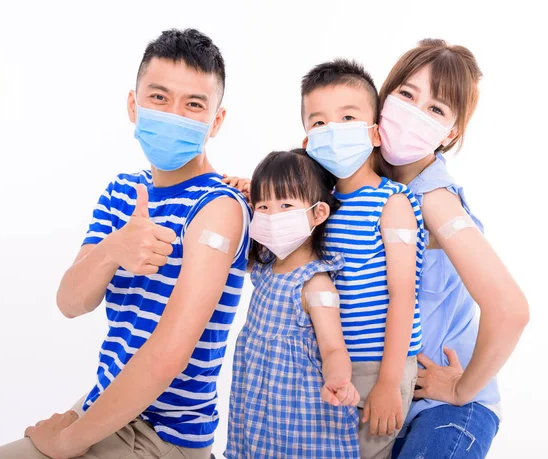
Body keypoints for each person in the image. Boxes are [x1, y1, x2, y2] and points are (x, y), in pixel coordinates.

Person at [0, 28, 251, 459]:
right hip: (105, 408)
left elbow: (169, 356)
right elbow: (70, 302)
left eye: (194, 105)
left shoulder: (218, 207)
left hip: (161, 438)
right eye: (159, 97)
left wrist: (67, 442)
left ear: (216, 121)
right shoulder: (123, 193)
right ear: (134, 104)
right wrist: (113, 249)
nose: (174, 115)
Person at [376, 39, 529, 458]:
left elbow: (511, 309)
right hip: (377, 403)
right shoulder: (360, 181)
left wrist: (462, 389)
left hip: (441, 407)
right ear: (385, 94)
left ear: (452, 132)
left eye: (436, 109)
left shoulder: (434, 200)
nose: (414, 114)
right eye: (407, 94)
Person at [301, 60, 425, 459]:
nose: (332, 131)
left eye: (347, 117)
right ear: (306, 140)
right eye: (318, 123)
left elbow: (403, 295)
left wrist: (389, 382)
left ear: (373, 133)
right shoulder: (321, 206)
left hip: (378, 368)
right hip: (332, 367)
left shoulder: (392, 203)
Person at [225, 149, 361, 458]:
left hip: (299, 415)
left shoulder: (315, 283)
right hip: (258, 406)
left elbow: (333, 348)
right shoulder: (264, 264)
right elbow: (234, 243)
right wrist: (242, 194)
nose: (273, 216)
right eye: (264, 207)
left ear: (318, 214)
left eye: (286, 205)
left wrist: (338, 380)